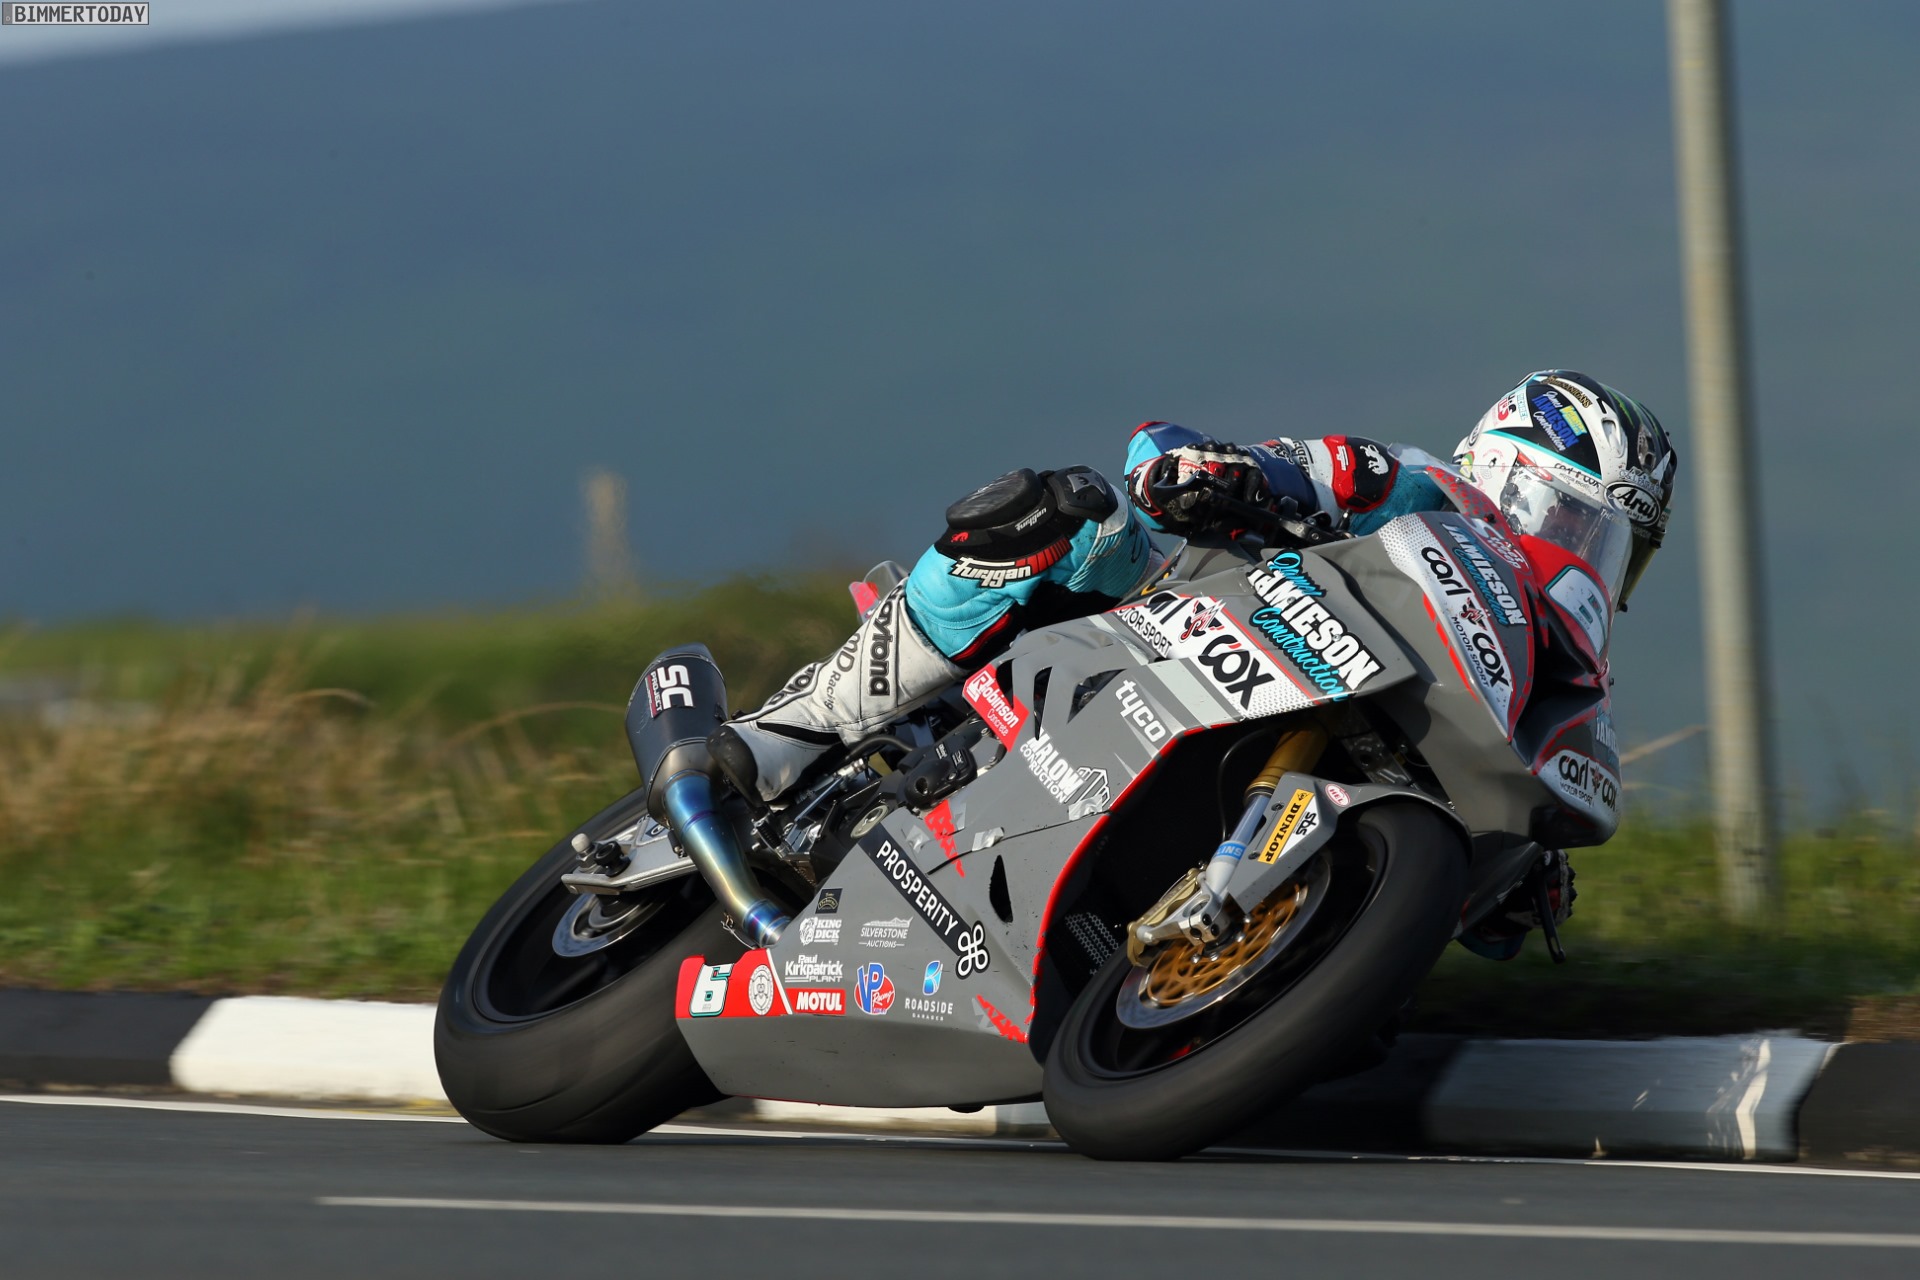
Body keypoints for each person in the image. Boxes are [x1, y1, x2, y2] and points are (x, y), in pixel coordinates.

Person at [703, 370, 1678, 952]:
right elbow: (1311, 466)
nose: (1579, 558)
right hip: (1192, 622)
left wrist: (1522, 873)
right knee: (1067, 515)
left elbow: (1488, 907)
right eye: (1570, 519)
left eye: (1609, 548)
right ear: (1505, 468)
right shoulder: (1426, 486)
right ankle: (797, 728)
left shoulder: (1544, 665)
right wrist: (1215, 473)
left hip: (1330, 715)